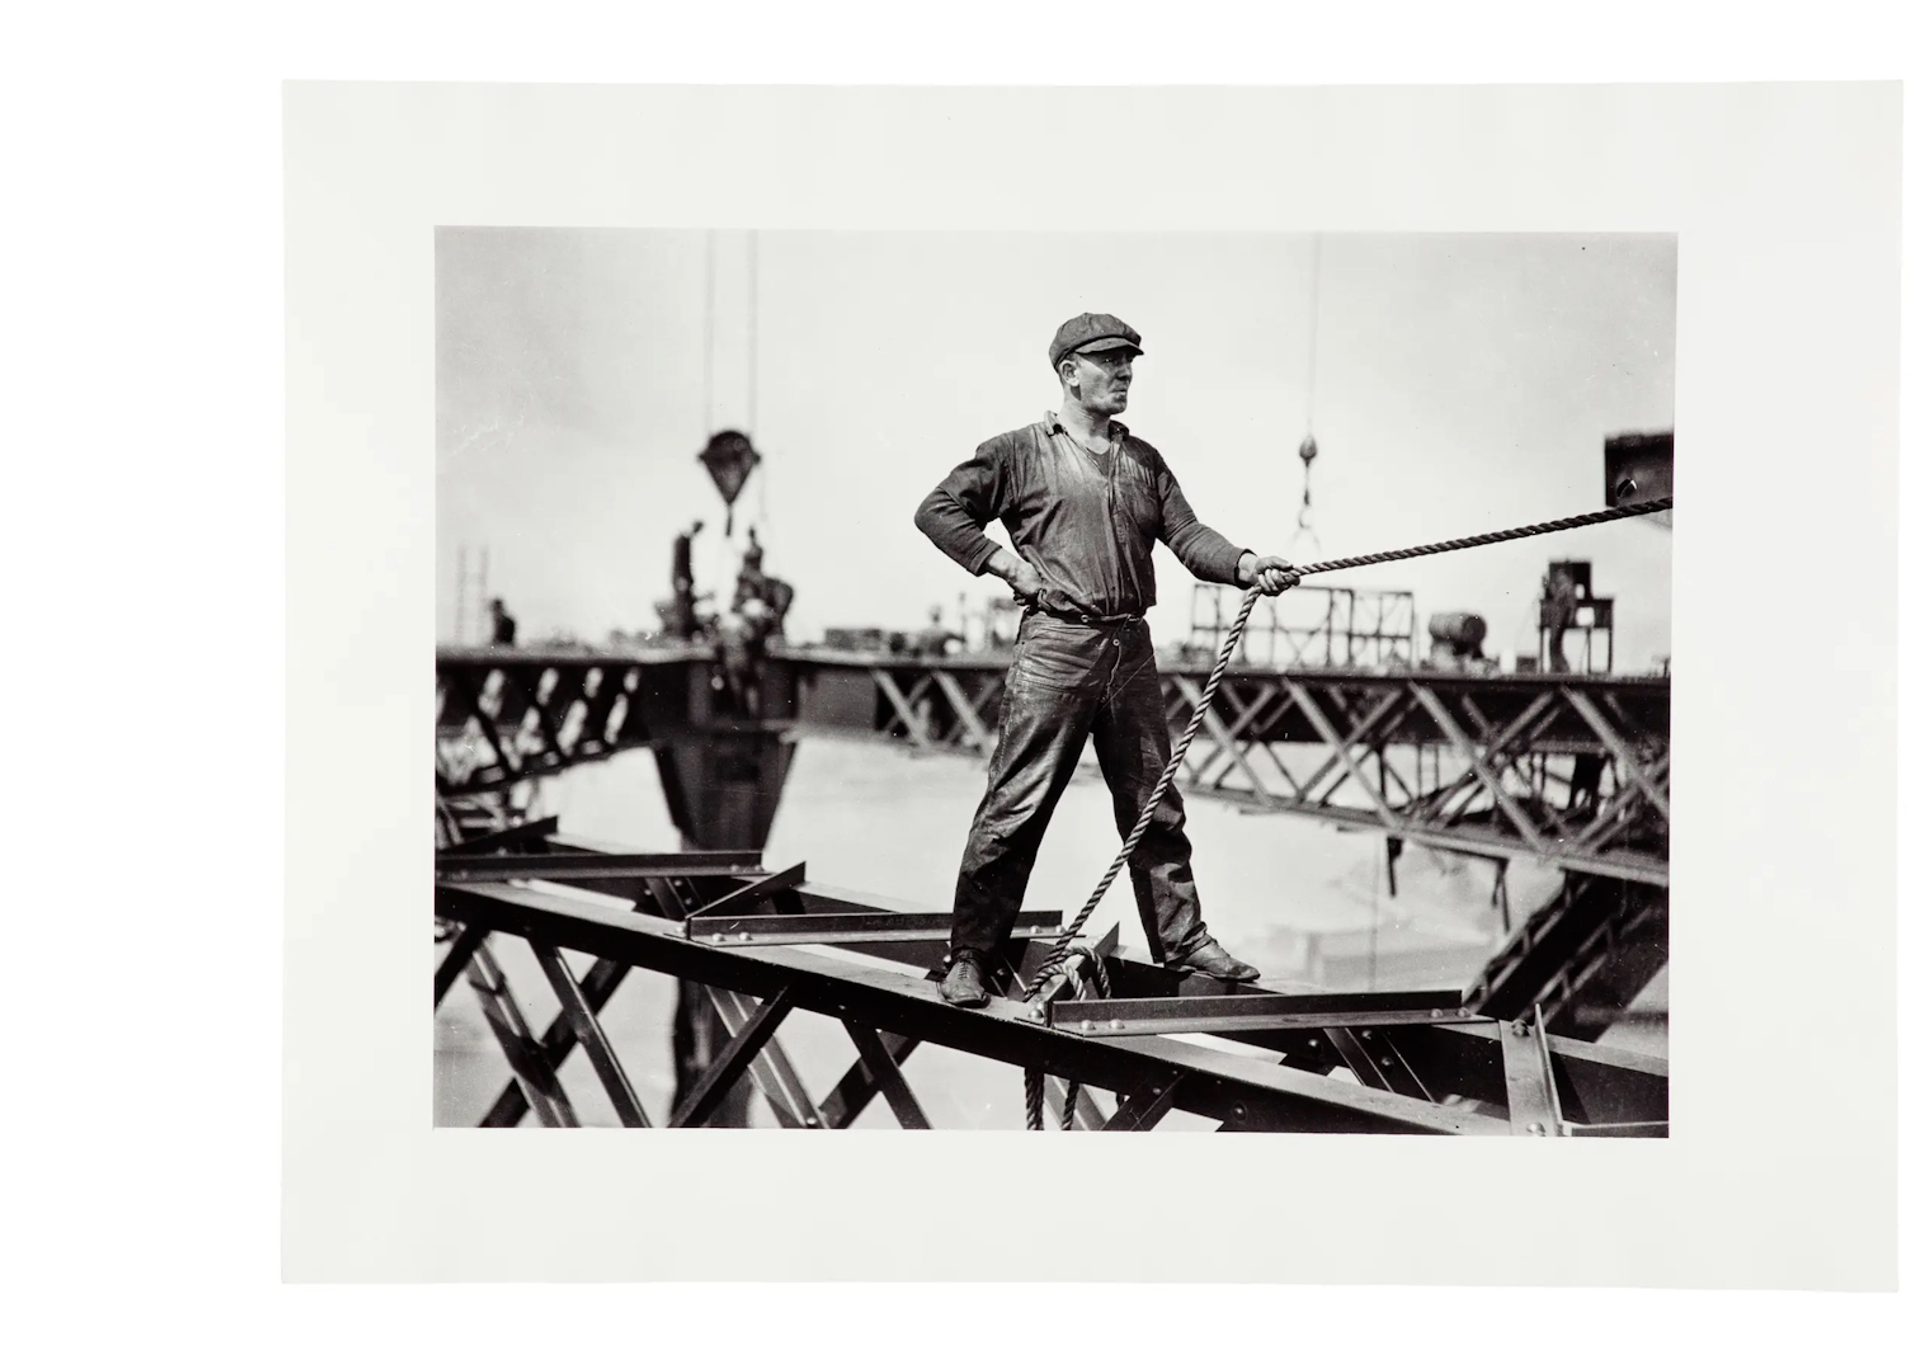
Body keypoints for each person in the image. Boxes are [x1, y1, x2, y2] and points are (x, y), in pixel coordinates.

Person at [914, 311, 1299, 1007]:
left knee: (1157, 806)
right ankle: (970, 954)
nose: (1125, 373)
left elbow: (1186, 535)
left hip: (1130, 649)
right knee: (1017, 804)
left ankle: (1182, 941)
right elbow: (939, 510)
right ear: (1069, 373)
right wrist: (1004, 563)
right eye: (1110, 362)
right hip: (1056, 647)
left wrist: (1244, 564)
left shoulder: (1143, 460)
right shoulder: (1018, 452)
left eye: (1130, 362)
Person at [669, 519, 705, 639]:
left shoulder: (686, 540)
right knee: (682, 609)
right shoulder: (681, 540)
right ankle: (681, 636)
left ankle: (686, 635)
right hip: (681, 579)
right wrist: (681, 579)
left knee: (687, 607)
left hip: (684, 579)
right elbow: (679, 561)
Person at [1542, 566, 1579, 672]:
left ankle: (1562, 666)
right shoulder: (1559, 588)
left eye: (1560, 575)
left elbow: (1572, 604)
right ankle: (1556, 665)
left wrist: (1571, 616)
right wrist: (1546, 584)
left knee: (1555, 641)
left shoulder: (1567, 587)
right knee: (1553, 642)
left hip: (1561, 617)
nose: (1558, 577)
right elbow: (1553, 594)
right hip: (1556, 617)